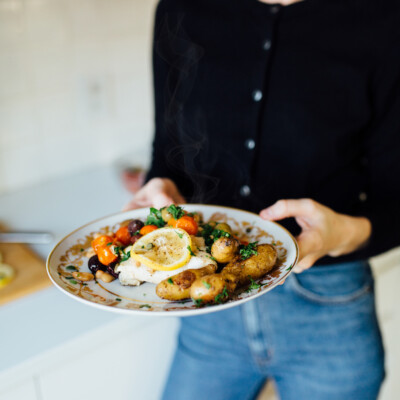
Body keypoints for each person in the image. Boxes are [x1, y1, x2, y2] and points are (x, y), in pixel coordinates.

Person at [125, 0, 400, 399]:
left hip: (326, 307)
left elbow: (395, 197)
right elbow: (168, 150)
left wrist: (343, 233)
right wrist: (158, 189)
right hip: (203, 303)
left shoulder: (383, 18)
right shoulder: (180, 7)